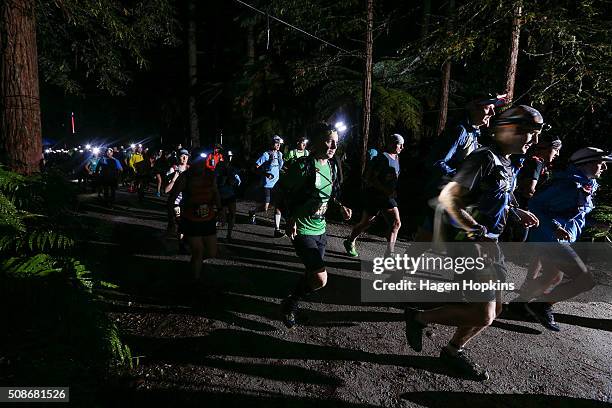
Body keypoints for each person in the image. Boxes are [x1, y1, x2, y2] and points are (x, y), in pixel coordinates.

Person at [404, 105, 543, 381]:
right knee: (484, 314)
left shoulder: (506, 162)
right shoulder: (483, 158)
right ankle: (419, 318)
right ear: (510, 130)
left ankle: (453, 351)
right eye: (530, 133)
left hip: (491, 244)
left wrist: (516, 212)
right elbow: (448, 199)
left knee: (498, 308)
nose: (534, 141)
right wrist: (474, 230)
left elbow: (493, 198)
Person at [510, 147, 610, 331]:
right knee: (585, 280)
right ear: (585, 163)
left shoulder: (585, 183)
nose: (604, 167)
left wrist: (594, 223)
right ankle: (542, 305)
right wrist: (555, 227)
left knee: (552, 276)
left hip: (556, 239)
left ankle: (519, 305)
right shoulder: (568, 184)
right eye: (600, 162)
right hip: (549, 238)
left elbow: (573, 214)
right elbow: (536, 205)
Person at [279, 123, 352, 328]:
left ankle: (290, 302)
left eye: (336, 142)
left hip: (321, 229)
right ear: (318, 140)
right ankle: (291, 304)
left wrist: (340, 207)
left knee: (312, 275)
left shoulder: (333, 165)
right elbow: (281, 191)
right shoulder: (303, 166)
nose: (333, 146)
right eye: (329, 141)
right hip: (302, 229)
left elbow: (330, 194)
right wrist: (290, 218)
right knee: (320, 279)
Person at [343, 134, 404, 258]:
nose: (402, 147)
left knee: (396, 223)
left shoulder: (396, 157)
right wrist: (385, 189)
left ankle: (389, 255)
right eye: (400, 144)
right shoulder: (382, 158)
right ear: (392, 143)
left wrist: (392, 190)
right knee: (366, 223)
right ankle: (350, 241)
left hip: (388, 198)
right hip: (375, 196)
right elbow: (370, 178)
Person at [168, 149, 221, 281]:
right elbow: (172, 198)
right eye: (198, 159)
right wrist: (173, 219)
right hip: (191, 219)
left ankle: (194, 266)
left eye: (203, 160)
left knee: (212, 252)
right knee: (198, 252)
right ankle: (194, 283)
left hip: (208, 218)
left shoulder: (210, 175)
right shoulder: (185, 177)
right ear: (193, 161)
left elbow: (216, 193)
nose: (201, 162)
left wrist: (221, 210)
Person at [249, 135, 285, 237]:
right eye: (276, 143)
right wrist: (265, 174)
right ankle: (253, 212)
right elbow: (255, 167)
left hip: (277, 184)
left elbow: (279, 168)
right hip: (267, 184)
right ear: (271, 143)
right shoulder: (266, 154)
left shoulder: (280, 154)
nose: (278, 145)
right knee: (265, 208)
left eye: (279, 144)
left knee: (278, 206)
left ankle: (277, 229)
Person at [216, 150, 241, 241]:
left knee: (232, 214)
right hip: (221, 194)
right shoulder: (219, 166)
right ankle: (214, 234)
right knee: (221, 215)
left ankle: (229, 235)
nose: (229, 158)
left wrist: (235, 180)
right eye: (227, 156)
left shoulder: (232, 168)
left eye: (230, 156)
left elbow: (237, 181)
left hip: (230, 194)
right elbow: (216, 180)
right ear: (223, 156)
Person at [165, 149, 190, 241]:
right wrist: (174, 179)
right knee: (180, 222)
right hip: (176, 202)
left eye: (186, 156)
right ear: (178, 157)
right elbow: (166, 190)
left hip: (187, 202)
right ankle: (181, 244)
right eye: (182, 156)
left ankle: (182, 243)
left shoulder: (190, 169)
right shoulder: (173, 169)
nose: (184, 158)